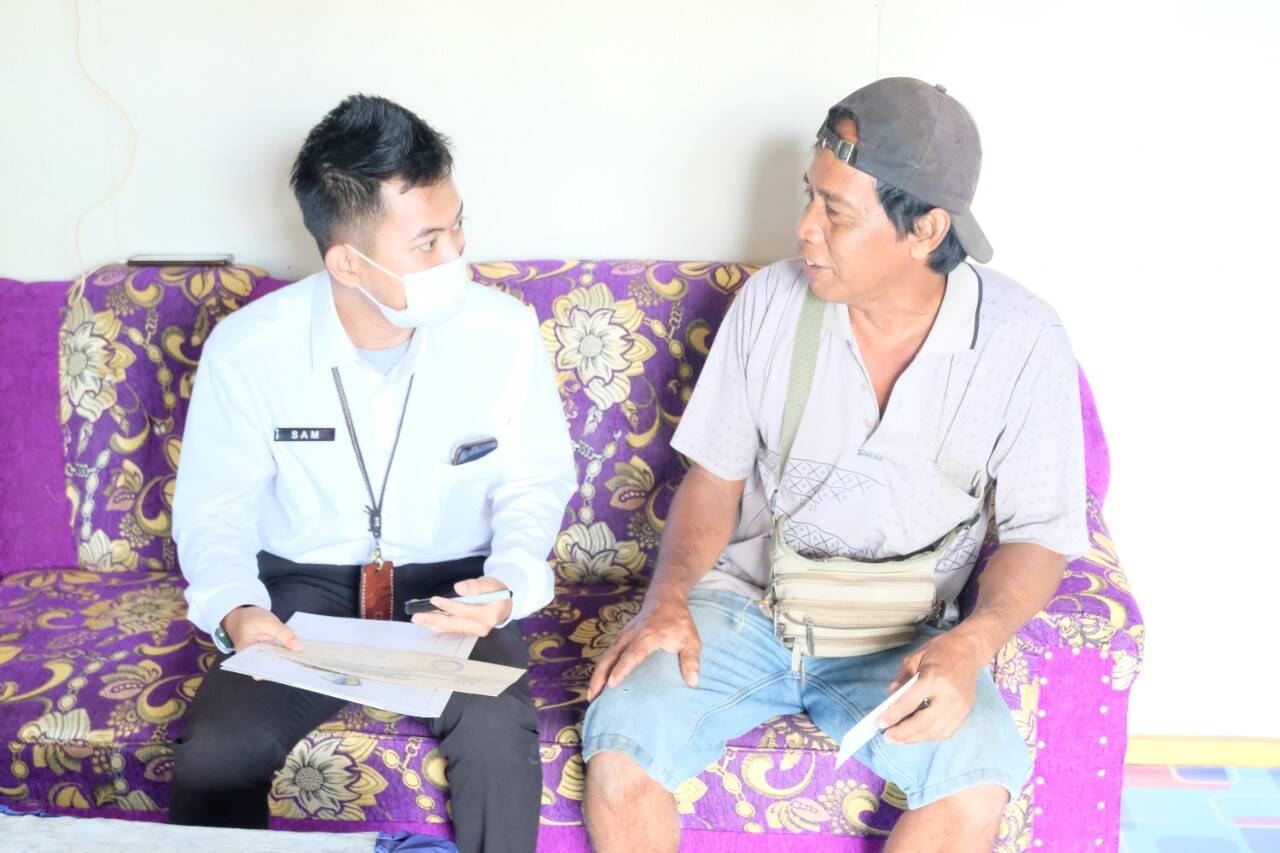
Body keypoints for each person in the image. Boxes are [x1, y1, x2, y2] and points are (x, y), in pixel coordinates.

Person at [581, 77, 1089, 852]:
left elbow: (1039, 533)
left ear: (926, 229)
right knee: (621, 754)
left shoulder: (1023, 339)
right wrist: (668, 598)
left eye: (835, 211)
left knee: (974, 783)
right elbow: (713, 481)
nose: (805, 229)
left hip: (904, 636)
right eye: (809, 197)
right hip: (746, 607)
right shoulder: (771, 302)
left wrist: (973, 641)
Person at [169, 94, 576, 853]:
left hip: (453, 588)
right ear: (347, 262)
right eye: (427, 242)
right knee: (216, 752)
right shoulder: (247, 349)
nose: (457, 255)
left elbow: (535, 481)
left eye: (457, 226)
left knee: (499, 741)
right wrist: (236, 609)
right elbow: (214, 510)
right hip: (302, 589)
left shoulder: (505, 332)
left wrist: (511, 580)